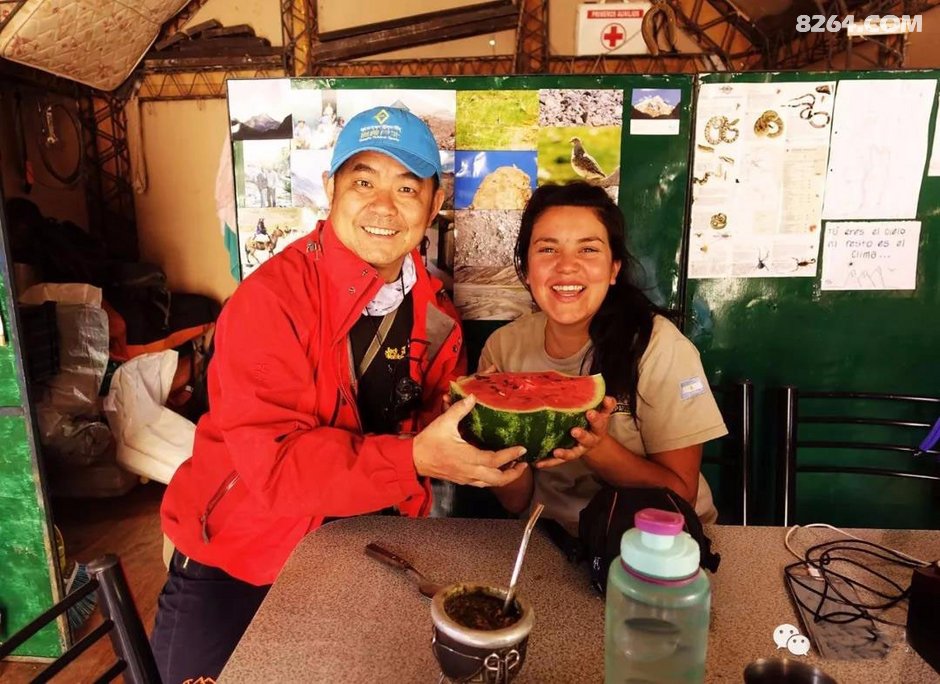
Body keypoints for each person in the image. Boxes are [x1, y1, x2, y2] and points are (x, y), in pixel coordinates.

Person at [151, 106, 527, 684]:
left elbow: (435, 433)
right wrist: (415, 458)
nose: (383, 204)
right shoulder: (270, 302)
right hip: (235, 559)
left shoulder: (437, 316)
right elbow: (275, 470)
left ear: (433, 204)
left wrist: (516, 444)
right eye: (362, 181)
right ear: (330, 190)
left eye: (406, 186)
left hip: (361, 552)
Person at [479, 182, 727, 534]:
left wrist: (595, 447)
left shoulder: (659, 347)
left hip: (658, 544)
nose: (566, 267)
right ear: (526, 268)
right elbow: (516, 501)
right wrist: (483, 439)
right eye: (547, 249)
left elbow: (681, 494)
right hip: (549, 541)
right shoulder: (503, 348)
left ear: (613, 269)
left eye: (588, 250)